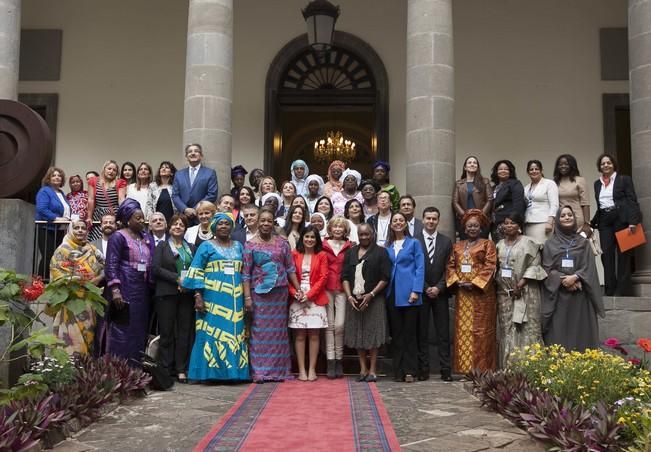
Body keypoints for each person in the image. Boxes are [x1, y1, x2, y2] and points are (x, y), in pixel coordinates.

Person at [183, 212, 250, 382]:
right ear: (214, 226)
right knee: (211, 333)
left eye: (227, 224)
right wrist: (198, 295)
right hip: (211, 299)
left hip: (235, 299)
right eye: (220, 224)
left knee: (234, 333)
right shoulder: (206, 246)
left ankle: (234, 373)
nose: (224, 227)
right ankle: (208, 374)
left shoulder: (238, 246)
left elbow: (245, 272)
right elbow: (196, 270)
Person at [243, 208, 301, 383]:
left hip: (279, 293)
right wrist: (247, 297)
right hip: (259, 294)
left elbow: (290, 268)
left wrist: (298, 289)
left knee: (278, 333)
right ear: (257, 222)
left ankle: (280, 371)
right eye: (263, 221)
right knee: (260, 332)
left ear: (273, 222)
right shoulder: (250, 245)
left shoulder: (283, 243)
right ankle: (260, 371)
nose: (266, 224)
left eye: (269, 221)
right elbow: (245, 273)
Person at [542, 206, 605, 351]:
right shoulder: (550, 244)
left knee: (580, 334)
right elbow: (546, 270)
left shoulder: (583, 243)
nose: (567, 217)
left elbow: (589, 266)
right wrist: (563, 280)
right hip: (558, 298)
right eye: (563, 215)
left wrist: (576, 277)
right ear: (557, 220)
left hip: (580, 296)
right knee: (559, 334)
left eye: (569, 214)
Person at [446, 209, 497, 373]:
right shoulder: (457, 246)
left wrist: (475, 283)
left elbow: (490, 265)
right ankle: (464, 368)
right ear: (464, 228)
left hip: (481, 296)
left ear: (480, 227)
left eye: (475, 226)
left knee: (481, 332)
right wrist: (456, 281)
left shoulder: (487, 244)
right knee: (463, 331)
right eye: (469, 226)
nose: (472, 228)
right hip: (463, 296)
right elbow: (450, 266)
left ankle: (481, 369)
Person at [103, 199, 155, 362]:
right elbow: (111, 264)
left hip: (142, 290)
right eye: (137, 218)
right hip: (124, 288)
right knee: (122, 329)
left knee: (138, 329)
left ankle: (135, 369)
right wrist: (116, 290)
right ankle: (119, 368)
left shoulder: (145, 237)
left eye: (142, 218)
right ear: (127, 219)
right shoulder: (118, 237)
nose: (142, 221)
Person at [495, 212, 546, 368]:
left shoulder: (528, 242)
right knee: (507, 329)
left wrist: (521, 284)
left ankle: (530, 367)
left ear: (519, 227)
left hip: (526, 292)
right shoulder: (499, 245)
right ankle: (508, 367)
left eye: (512, 223)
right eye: (506, 223)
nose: (508, 226)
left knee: (527, 328)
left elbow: (535, 264)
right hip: (505, 294)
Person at [342, 223, 391, 382]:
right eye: (361, 234)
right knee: (358, 334)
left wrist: (371, 295)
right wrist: (350, 297)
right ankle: (362, 369)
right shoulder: (350, 253)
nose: (364, 237)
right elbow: (344, 277)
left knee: (373, 335)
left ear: (372, 234)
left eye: (366, 234)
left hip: (374, 300)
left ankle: (372, 370)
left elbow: (385, 277)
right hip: (354, 300)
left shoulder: (381, 252)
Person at [48, 220, 104, 355]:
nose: (80, 230)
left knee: (88, 333)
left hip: (88, 300)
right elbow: (56, 270)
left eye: (83, 228)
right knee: (68, 335)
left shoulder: (93, 249)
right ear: (71, 230)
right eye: (77, 228)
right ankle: (66, 367)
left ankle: (84, 369)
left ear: (87, 231)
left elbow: (105, 267)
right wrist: (75, 279)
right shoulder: (62, 250)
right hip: (69, 300)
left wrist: (98, 278)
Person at [152, 214, 195, 382]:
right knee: (167, 332)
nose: (178, 226)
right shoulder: (162, 246)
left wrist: (188, 282)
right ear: (169, 228)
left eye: (181, 224)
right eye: (174, 224)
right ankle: (165, 369)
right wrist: (176, 278)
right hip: (167, 294)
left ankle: (181, 368)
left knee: (184, 332)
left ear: (185, 228)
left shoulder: (191, 247)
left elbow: (196, 268)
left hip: (186, 295)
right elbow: (155, 269)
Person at [592, 153, 642, 296]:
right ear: (599, 167)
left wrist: (633, 221)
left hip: (622, 219)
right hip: (605, 221)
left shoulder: (624, 179)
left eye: (608, 163)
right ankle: (610, 289)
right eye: (603, 164)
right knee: (606, 254)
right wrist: (591, 223)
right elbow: (601, 206)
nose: (606, 165)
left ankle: (623, 290)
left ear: (613, 164)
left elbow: (632, 200)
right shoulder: (597, 184)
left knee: (623, 254)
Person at [385, 212, 425, 383]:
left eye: (401, 220)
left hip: (410, 294)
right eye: (395, 221)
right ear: (391, 224)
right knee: (397, 334)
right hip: (392, 293)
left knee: (409, 334)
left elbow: (420, 267)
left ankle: (410, 370)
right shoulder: (388, 246)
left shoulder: (414, 243)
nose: (398, 223)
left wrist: (416, 290)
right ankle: (398, 370)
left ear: (406, 224)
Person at [415, 207, 453, 381]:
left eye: (434, 219)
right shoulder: (414, 241)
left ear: (438, 221)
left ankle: (446, 370)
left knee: (443, 333)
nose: (431, 221)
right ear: (423, 220)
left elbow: (450, 268)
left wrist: (439, 287)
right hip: (421, 294)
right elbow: (412, 268)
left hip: (440, 294)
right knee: (421, 333)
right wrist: (424, 287)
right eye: (428, 218)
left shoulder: (446, 242)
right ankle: (423, 370)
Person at [288, 226, 328, 381]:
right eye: (307, 237)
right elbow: (288, 275)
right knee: (299, 335)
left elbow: (323, 277)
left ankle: (312, 369)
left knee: (314, 335)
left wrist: (310, 295)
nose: (309, 240)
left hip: (315, 298)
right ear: (302, 238)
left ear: (317, 239)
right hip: (297, 297)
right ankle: (301, 370)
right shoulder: (294, 254)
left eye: (312, 237)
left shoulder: (322, 255)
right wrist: (295, 293)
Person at [322, 215, 353, 378]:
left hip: (342, 288)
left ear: (345, 229)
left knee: (340, 326)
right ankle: (331, 362)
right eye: (335, 226)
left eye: (341, 227)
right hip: (326, 288)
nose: (338, 229)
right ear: (330, 229)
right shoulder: (323, 245)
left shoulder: (350, 246)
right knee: (329, 326)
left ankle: (339, 359)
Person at [36, 166, 71, 277]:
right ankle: (40, 284)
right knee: (48, 256)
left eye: (59, 175)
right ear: (48, 178)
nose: (57, 177)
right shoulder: (45, 191)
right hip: (47, 229)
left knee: (57, 258)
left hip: (59, 230)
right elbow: (42, 209)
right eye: (54, 175)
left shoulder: (61, 193)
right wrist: (56, 218)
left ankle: (53, 282)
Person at [172, 144, 218, 226]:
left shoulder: (210, 173)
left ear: (201, 155)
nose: (193, 153)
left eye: (196, 151)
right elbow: (175, 195)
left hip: (202, 217)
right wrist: (185, 209)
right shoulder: (179, 174)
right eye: (190, 152)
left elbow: (212, 194)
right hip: (183, 218)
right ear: (186, 156)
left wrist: (196, 209)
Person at [452, 156, 492, 239]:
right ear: (465, 167)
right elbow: (455, 201)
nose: (472, 164)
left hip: (482, 220)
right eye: (469, 163)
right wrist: (464, 215)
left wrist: (480, 214)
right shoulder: (459, 183)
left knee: (481, 244)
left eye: (475, 163)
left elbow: (490, 199)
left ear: (477, 167)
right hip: (464, 220)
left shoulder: (485, 181)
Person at [87, 160, 126, 241]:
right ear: (104, 169)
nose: (111, 171)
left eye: (114, 170)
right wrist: (89, 217)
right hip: (98, 216)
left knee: (114, 240)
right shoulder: (93, 181)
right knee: (97, 241)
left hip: (114, 215)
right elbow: (91, 200)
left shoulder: (120, 182)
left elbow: (121, 199)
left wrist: (122, 216)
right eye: (109, 169)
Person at [524, 160, 559, 244]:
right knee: (532, 251)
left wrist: (550, 222)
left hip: (543, 222)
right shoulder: (526, 187)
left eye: (536, 169)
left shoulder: (549, 183)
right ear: (528, 172)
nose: (534, 171)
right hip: (528, 223)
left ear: (541, 170)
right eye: (531, 169)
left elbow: (554, 204)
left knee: (543, 249)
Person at [553, 154, 590, 233]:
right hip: (561, 220)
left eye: (566, 164)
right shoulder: (555, 182)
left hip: (577, 218)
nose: (563, 166)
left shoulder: (580, 180)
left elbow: (585, 203)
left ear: (572, 165)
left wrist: (587, 223)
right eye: (560, 164)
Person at [490, 159, 526, 242]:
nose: (503, 171)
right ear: (496, 172)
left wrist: (515, 224)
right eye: (500, 169)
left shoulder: (515, 184)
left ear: (510, 171)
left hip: (509, 225)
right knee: (499, 250)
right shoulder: (493, 187)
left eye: (506, 169)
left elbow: (519, 205)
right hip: (495, 225)